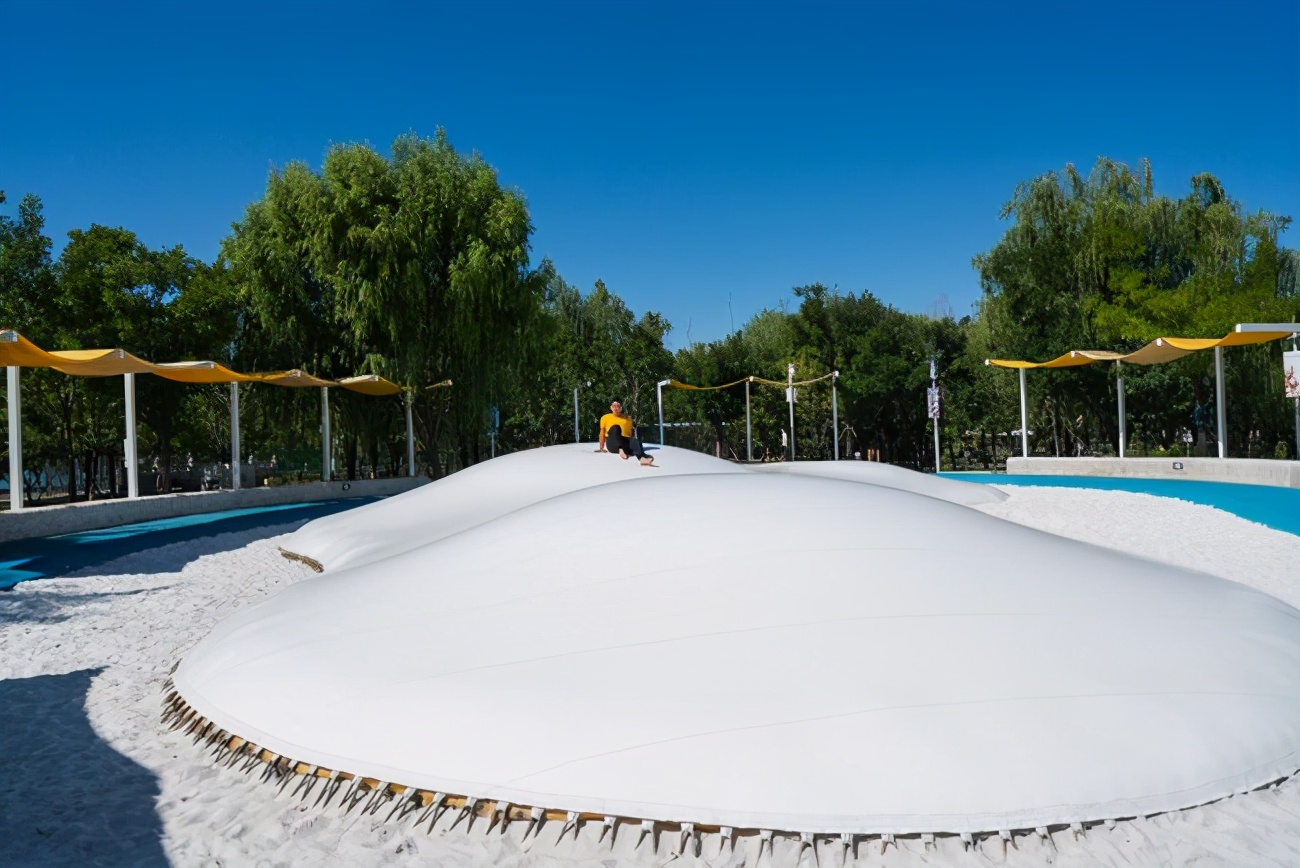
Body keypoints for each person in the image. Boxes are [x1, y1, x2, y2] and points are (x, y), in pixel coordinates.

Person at [597, 400, 655, 466]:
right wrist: (601, 448)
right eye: (614, 406)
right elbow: (602, 433)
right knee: (616, 428)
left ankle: (641, 458)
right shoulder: (605, 417)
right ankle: (621, 448)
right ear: (611, 408)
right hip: (612, 445)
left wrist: (635, 443)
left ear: (621, 408)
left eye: (618, 406)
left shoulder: (628, 418)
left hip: (625, 445)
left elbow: (631, 434)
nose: (616, 408)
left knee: (634, 440)